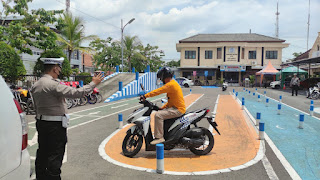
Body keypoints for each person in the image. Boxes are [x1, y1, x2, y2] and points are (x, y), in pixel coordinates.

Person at [31, 57, 104, 180]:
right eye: (59, 68)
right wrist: (93, 83)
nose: (59, 71)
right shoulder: (52, 85)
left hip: (41, 122)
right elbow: (77, 93)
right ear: (55, 68)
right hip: (55, 126)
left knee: (42, 154)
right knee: (55, 156)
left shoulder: (36, 84)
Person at [140, 67, 186, 145]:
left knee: (158, 115)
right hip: (175, 108)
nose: (161, 80)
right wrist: (162, 108)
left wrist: (145, 96)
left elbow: (159, 91)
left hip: (178, 110)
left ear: (164, 76)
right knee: (160, 112)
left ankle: (159, 137)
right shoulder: (173, 84)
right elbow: (171, 101)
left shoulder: (171, 84)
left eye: (161, 77)